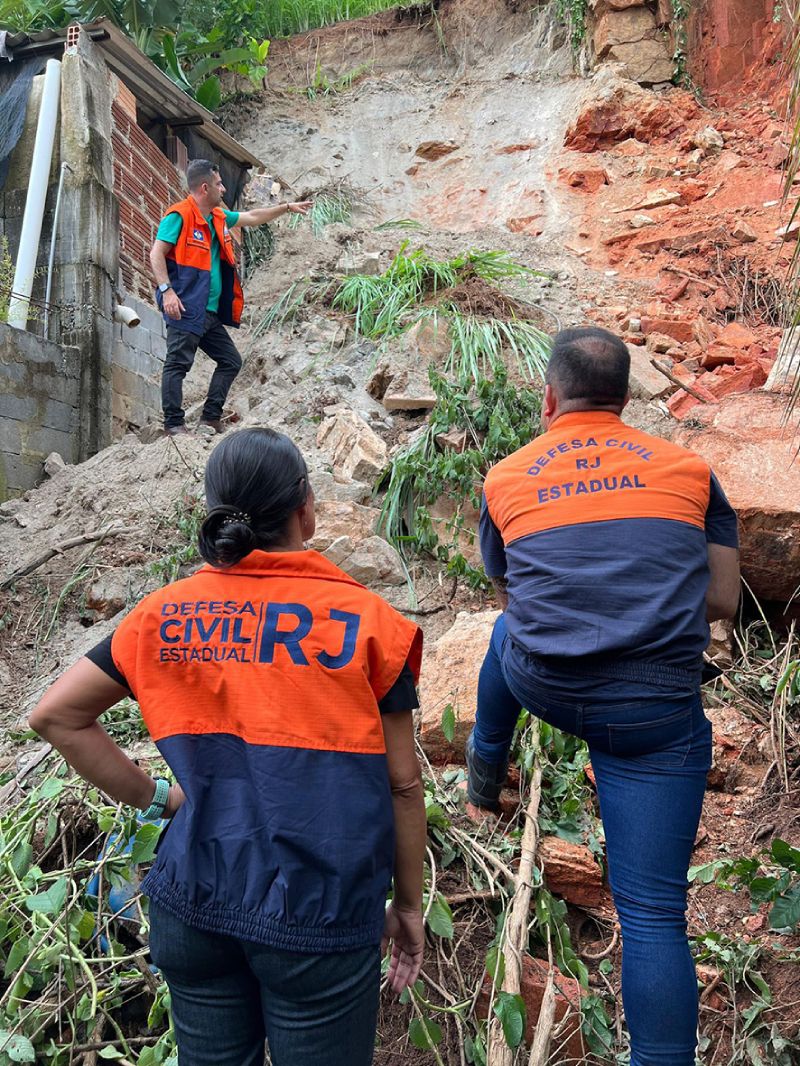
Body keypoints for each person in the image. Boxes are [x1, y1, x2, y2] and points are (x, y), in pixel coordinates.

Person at [29, 428, 426, 1066]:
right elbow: (403, 785)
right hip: (317, 915)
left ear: (215, 511)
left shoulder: (162, 615)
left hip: (192, 902)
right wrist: (407, 905)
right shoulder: (370, 626)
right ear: (307, 510)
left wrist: (157, 797)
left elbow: (55, 716)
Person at [466, 327, 740, 1066]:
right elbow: (721, 602)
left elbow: (511, 594)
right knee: (654, 916)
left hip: (546, 686)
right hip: (653, 715)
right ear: (626, 396)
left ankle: (481, 782)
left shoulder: (506, 477)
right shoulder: (690, 470)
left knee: (503, 637)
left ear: (549, 398)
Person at [150, 159, 311, 437]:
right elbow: (156, 254)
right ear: (204, 188)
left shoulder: (218, 217)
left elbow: (253, 216)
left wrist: (286, 208)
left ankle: (210, 419)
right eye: (218, 183)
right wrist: (167, 292)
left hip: (209, 313)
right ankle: (174, 425)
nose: (223, 189)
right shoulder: (179, 215)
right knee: (177, 364)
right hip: (186, 306)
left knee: (231, 360)